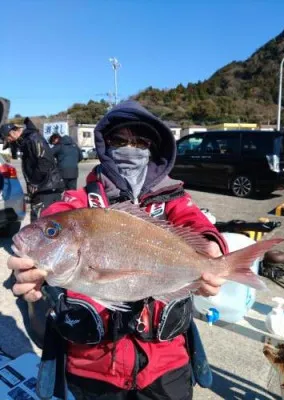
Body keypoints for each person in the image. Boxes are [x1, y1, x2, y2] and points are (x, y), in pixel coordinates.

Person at [8, 101, 228, 400]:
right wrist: (33, 264)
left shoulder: (174, 199)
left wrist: (212, 249)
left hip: (167, 363)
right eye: (119, 141)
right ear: (104, 147)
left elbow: (194, 222)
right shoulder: (81, 202)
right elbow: (61, 212)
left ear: (154, 149)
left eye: (140, 141)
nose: (130, 148)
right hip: (93, 367)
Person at [0, 118, 64, 221]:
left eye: (8, 139)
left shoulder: (33, 138)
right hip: (42, 187)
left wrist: (34, 182)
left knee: (40, 223)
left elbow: (45, 162)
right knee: (45, 223)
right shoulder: (25, 140)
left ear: (12, 132)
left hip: (47, 187)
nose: (9, 141)